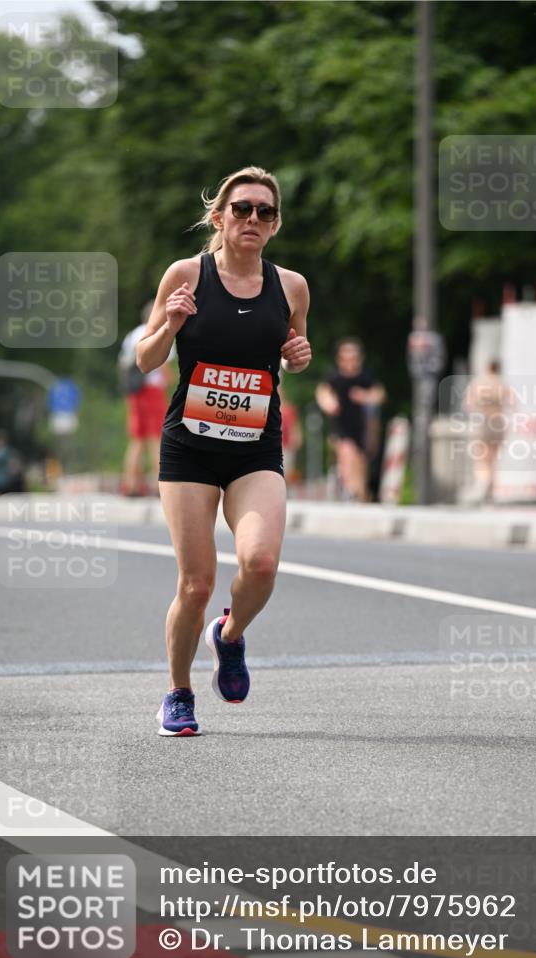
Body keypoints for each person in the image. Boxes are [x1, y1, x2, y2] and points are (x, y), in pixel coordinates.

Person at [136, 166, 311, 736]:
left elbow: (289, 350)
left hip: (254, 447)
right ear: (220, 216)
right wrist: (173, 324)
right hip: (190, 448)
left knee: (261, 564)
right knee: (197, 583)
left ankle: (229, 636)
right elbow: (145, 359)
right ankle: (178, 692)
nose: (253, 219)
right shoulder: (187, 274)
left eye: (264, 211)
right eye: (242, 209)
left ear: (275, 223)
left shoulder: (291, 287)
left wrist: (299, 354)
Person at [315, 337, 385, 502]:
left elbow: (379, 394)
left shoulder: (365, 377)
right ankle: (350, 491)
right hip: (341, 426)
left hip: (362, 428)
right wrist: (329, 403)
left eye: (353, 358)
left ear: (360, 358)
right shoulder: (334, 377)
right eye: (346, 358)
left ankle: (359, 496)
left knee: (360, 463)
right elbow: (323, 392)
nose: (349, 362)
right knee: (347, 454)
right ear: (339, 359)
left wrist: (366, 397)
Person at [119, 301, 175, 497]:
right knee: (156, 437)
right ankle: (161, 483)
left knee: (137, 439)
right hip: (152, 390)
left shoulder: (132, 335)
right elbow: (163, 367)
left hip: (135, 391)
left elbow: (124, 364)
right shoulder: (160, 333)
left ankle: (130, 483)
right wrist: (171, 381)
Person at [464, 359, 512, 502]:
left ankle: (482, 486)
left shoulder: (479, 382)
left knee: (481, 458)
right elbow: (513, 404)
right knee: (493, 459)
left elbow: (468, 404)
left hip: (484, 422)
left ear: (488, 367)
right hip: (498, 423)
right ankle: (491, 491)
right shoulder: (502, 384)